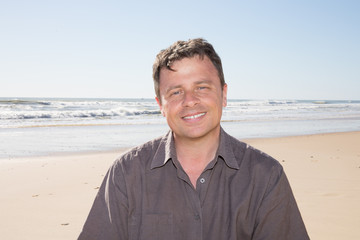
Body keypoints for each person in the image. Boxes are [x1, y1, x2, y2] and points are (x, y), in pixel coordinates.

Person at [78, 38, 309, 240]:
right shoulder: (126, 174)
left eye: (202, 87)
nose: (190, 100)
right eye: (176, 92)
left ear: (224, 94)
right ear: (161, 105)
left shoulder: (265, 175)